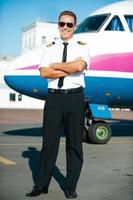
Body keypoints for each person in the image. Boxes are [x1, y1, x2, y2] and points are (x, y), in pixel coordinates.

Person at [26, 10, 90, 199]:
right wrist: (67, 67)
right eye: (62, 24)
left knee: (75, 144)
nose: (65, 28)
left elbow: (79, 67)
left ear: (75, 27)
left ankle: (70, 187)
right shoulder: (49, 45)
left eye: (69, 25)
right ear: (58, 25)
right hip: (54, 99)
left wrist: (55, 65)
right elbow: (44, 73)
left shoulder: (83, 45)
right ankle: (41, 185)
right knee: (49, 144)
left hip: (74, 98)